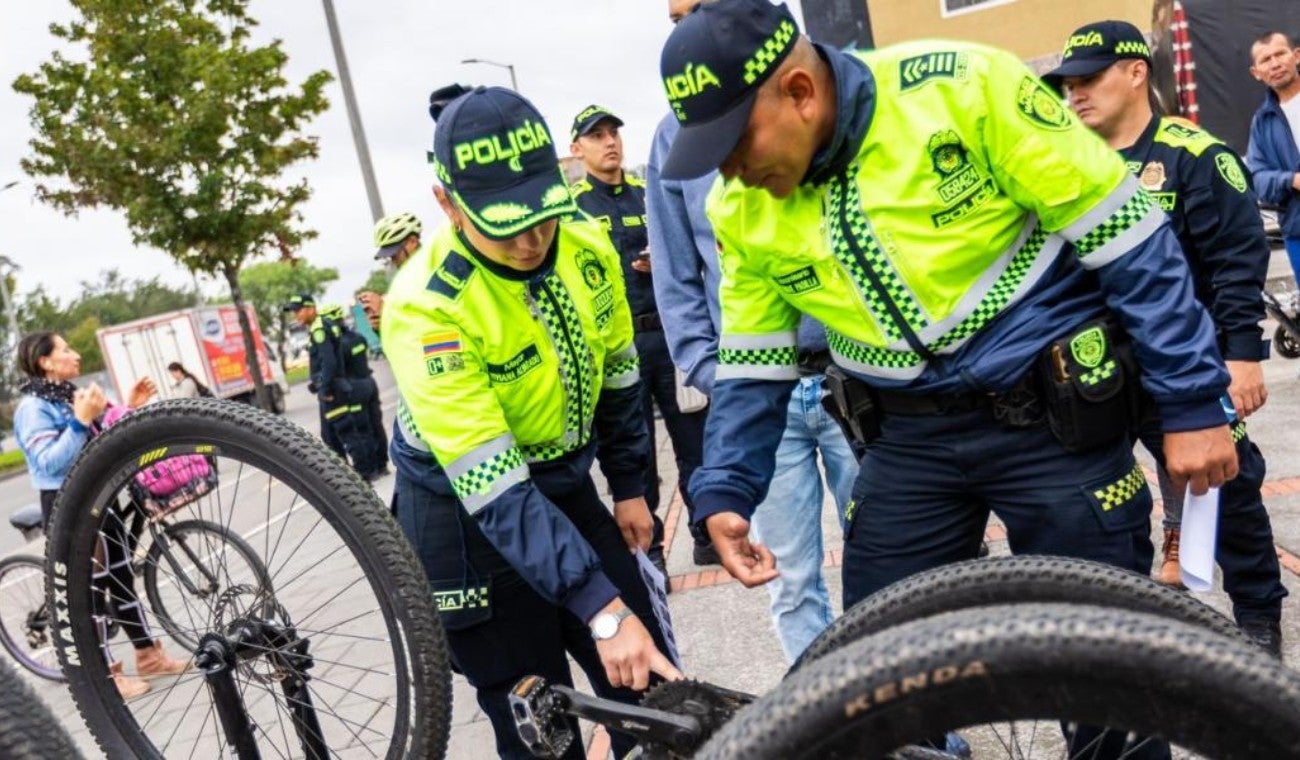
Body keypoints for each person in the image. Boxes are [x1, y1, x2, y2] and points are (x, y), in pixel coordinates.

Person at [661, 7, 1236, 754]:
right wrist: (727, 489)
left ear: (801, 92)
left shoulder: (965, 87)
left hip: (1051, 425)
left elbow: (1134, 248)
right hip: (910, 443)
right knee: (869, 681)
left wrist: (1192, 404)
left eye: (736, 144)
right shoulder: (740, 209)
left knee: (1107, 679)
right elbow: (750, 368)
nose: (731, 173)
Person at [382, 86, 681, 759]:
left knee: (654, 686)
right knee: (541, 726)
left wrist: (629, 484)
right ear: (447, 204)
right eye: (503, 222)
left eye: (540, 214)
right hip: (467, 515)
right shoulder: (425, 308)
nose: (528, 239)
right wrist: (599, 610)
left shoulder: (584, 245)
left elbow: (620, 378)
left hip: (561, 479)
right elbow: (495, 488)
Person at [1051, 19, 1286, 656]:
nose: (1075, 95)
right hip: (1092, 376)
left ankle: (1259, 620)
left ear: (1135, 73)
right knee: (1104, 505)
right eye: (1068, 84)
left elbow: (1237, 263)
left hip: (1185, 366)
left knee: (1228, 491)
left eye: (1089, 78)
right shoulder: (1062, 163)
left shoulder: (1195, 155)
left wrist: (1241, 356)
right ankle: (1142, 623)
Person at [644, 0, 857, 660]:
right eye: (676, 16)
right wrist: (713, 373)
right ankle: (833, 729)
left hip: (854, 376)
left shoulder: (820, 99)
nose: (688, 25)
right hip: (761, 393)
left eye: (699, 8)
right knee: (792, 581)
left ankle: (918, 727)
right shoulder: (673, 142)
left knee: (887, 565)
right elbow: (676, 274)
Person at [569, 104, 711, 575]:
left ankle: (706, 531)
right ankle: (649, 550)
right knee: (637, 451)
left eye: (613, 133)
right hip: (621, 351)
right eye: (596, 136)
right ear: (577, 149)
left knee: (695, 439)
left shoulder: (646, 193)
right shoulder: (573, 209)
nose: (609, 142)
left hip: (666, 339)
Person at [13, 331, 191, 699]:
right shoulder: (33, 408)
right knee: (90, 592)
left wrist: (130, 405)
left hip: (99, 492)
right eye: (65, 350)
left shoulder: (69, 395)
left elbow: (109, 430)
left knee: (122, 576)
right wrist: (79, 423)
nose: (75, 355)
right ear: (44, 361)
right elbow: (49, 461)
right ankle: (105, 675)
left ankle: (149, 655)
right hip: (68, 502)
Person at [284, 294, 381, 479]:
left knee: (346, 434)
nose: (296, 315)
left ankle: (363, 476)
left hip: (333, 391)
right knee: (330, 437)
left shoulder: (319, 329)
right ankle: (351, 478)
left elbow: (329, 362)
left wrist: (325, 387)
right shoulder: (324, 324)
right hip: (334, 386)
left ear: (311, 308)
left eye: (298, 310)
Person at [1246, 31, 1300, 281]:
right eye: (1266, 59)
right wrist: (1291, 180)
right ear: (1256, 73)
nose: (1275, 63)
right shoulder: (1262, 122)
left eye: (1281, 53)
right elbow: (1257, 180)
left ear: (1296, 55)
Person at [358, 211, 423, 333]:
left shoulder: (435, 270)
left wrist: (387, 310)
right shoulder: (405, 282)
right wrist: (380, 324)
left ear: (412, 242)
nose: (393, 261)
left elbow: (431, 316)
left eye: (394, 254)